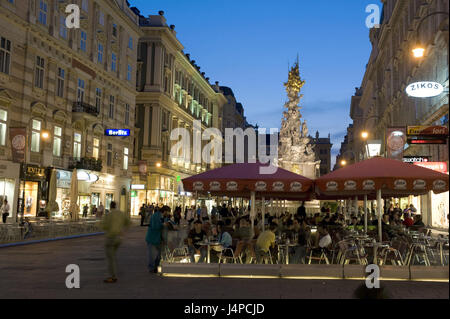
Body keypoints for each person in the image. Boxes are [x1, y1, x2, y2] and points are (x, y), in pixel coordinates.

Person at [100, 201, 131, 283]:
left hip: (111, 238)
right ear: (116, 206)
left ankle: (112, 276)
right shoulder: (121, 213)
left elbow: (104, 226)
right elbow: (129, 223)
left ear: (110, 207)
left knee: (110, 257)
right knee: (112, 255)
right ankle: (114, 272)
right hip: (119, 238)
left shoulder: (108, 215)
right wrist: (123, 231)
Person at [146, 205, 167, 273]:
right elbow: (155, 226)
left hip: (158, 239)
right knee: (151, 255)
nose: (169, 213)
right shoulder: (155, 216)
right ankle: (151, 268)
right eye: (168, 212)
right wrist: (162, 225)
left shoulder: (163, 217)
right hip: (152, 238)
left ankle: (155, 267)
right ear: (165, 211)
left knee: (159, 255)